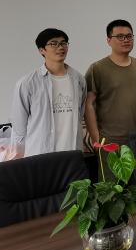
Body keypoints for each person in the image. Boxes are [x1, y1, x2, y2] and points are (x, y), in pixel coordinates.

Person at [10, 28, 86, 158]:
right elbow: (19, 128)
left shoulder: (78, 79)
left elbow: (81, 113)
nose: (60, 47)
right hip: (40, 155)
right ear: (42, 50)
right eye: (53, 43)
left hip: (72, 154)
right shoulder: (27, 83)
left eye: (63, 43)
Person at [85, 19, 136, 145]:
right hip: (111, 141)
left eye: (129, 36)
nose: (126, 40)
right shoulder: (97, 68)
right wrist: (96, 139)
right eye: (120, 36)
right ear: (108, 40)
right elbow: (88, 104)